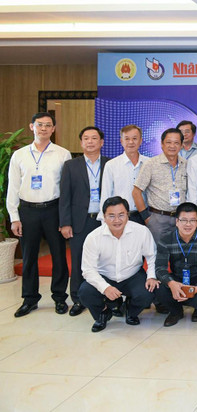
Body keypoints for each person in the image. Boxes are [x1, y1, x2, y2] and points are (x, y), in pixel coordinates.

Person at [7, 112, 72, 317]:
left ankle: (59, 298)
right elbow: (12, 188)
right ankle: (30, 299)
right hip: (27, 211)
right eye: (39, 124)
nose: (43, 128)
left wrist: (65, 218)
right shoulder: (19, 155)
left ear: (53, 129)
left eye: (48, 125)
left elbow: (67, 189)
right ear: (31, 127)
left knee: (59, 256)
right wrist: (14, 217)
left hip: (53, 209)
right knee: (29, 257)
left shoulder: (63, 154)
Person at [79, 197, 159, 332]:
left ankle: (130, 310)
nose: (117, 220)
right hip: (105, 276)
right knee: (85, 292)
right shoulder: (93, 237)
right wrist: (105, 288)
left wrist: (151, 276)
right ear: (104, 217)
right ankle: (103, 313)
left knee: (149, 291)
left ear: (128, 214)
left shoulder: (141, 231)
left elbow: (152, 256)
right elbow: (88, 270)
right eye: (111, 216)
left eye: (121, 215)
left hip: (132, 275)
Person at [59, 126, 109, 317]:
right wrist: (65, 223)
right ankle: (78, 299)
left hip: (104, 221)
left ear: (101, 142)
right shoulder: (71, 166)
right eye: (86, 138)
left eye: (94, 138)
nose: (90, 142)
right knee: (79, 260)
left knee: (105, 260)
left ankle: (106, 297)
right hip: (80, 221)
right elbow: (65, 196)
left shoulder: (110, 164)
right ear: (81, 143)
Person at [154, 202, 197, 327]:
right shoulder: (166, 239)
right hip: (177, 278)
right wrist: (172, 283)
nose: (188, 224)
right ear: (177, 221)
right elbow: (160, 268)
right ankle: (176, 312)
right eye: (184, 220)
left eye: (192, 220)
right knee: (158, 288)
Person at [132, 128, 188, 244]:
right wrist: (147, 218)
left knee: (179, 252)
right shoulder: (151, 164)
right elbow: (136, 192)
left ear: (182, 145)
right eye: (168, 142)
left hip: (181, 219)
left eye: (176, 143)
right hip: (158, 218)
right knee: (158, 253)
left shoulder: (186, 164)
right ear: (162, 144)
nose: (172, 146)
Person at [99, 124, 150, 225]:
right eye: (127, 139)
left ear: (141, 141)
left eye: (134, 138)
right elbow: (106, 194)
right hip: (120, 217)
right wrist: (104, 222)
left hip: (144, 216)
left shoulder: (149, 163)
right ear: (121, 141)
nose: (131, 142)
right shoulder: (111, 165)